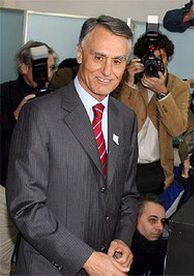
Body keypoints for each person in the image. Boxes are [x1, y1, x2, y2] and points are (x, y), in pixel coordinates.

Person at [6, 15, 140, 275]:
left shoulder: (126, 119)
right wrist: (87, 258)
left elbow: (128, 193)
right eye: (99, 57)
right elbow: (26, 207)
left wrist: (122, 239)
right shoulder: (40, 114)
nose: (107, 71)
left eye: (117, 61)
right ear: (80, 53)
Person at [0, 40, 56, 275]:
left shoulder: (57, 97)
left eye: (52, 67)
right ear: (23, 67)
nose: (48, 73)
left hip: (46, 191)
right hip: (5, 187)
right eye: (41, 66)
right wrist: (15, 116)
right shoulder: (4, 93)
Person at [118, 33, 189, 195]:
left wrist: (163, 93)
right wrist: (129, 83)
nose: (155, 63)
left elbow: (178, 129)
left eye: (161, 58)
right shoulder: (127, 79)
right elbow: (120, 123)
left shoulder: (178, 87)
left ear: (167, 59)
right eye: (150, 58)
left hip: (155, 167)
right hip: (124, 165)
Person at [130, 194, 167, 276]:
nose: (160, 227)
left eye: (162, 222)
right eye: (153, 220)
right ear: (136, 219)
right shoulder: (121, 250)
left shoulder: (166, 251)